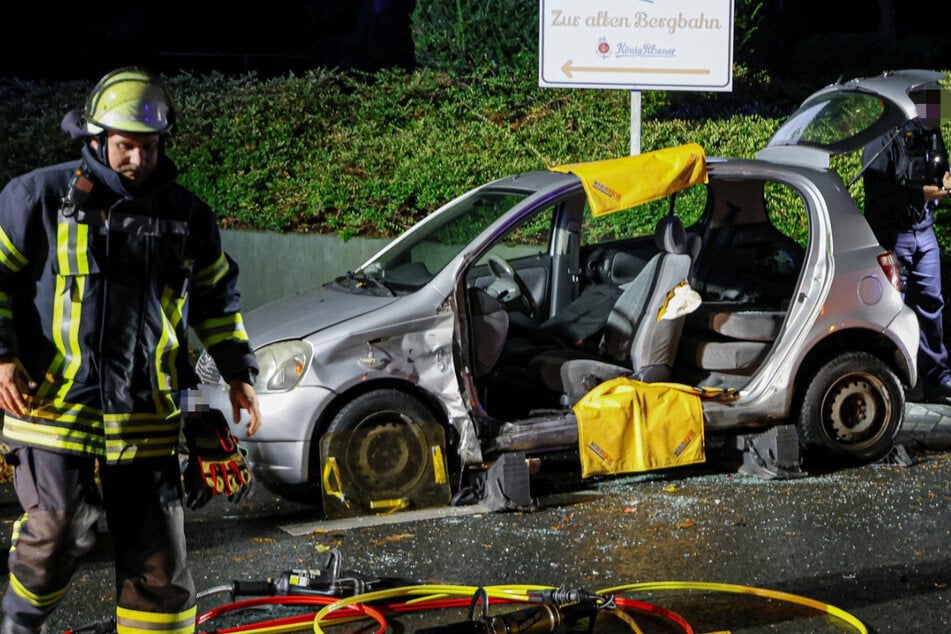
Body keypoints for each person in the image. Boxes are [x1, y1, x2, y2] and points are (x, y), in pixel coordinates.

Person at [0, 67, 262, 633]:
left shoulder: (187, 216)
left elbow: (217, 299)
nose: (138, 160)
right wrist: (2, 358)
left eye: (150, 146)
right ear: (96, 139)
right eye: (125, 146)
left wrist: (239, 372)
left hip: (146, 413)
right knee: (60, 530)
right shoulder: (37, 198)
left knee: (159, 570)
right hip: (54, 409)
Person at [863, 84, 951, 404]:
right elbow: (878, 192)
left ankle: (937, 378)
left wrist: (943, 183)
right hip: (893, 234)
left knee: (931, 304)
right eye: (935, 104)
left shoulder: (931, 134)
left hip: (923, 230)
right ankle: (892, 379)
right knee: (892, 308)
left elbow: (939, 171)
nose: (940, 113)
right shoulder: (883, 137)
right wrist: (921, 193)